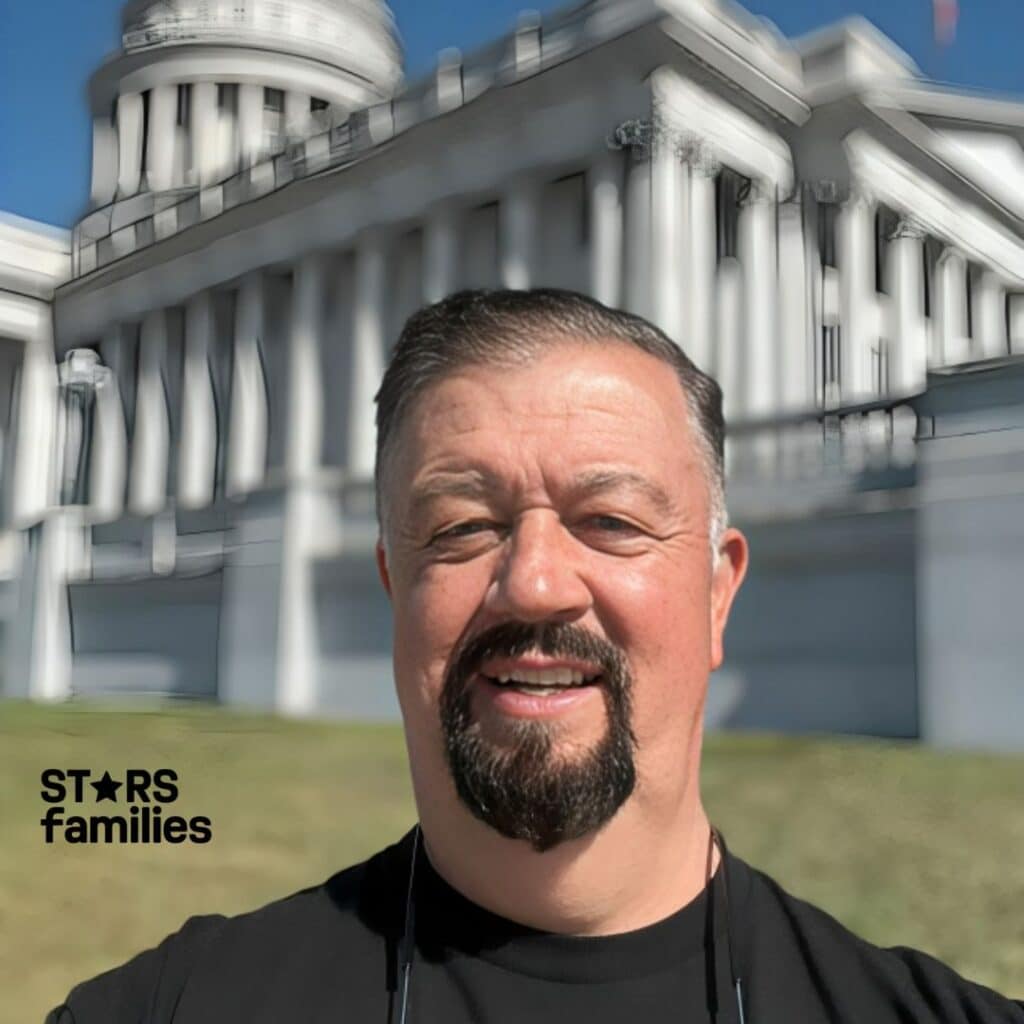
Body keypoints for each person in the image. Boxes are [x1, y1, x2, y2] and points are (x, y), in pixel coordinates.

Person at [48, 289, 1023, 1023]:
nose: (536, 583)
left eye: (610, 519)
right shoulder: (181, 1006)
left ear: (718, 590)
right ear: (398, 589)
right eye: (464, 526)